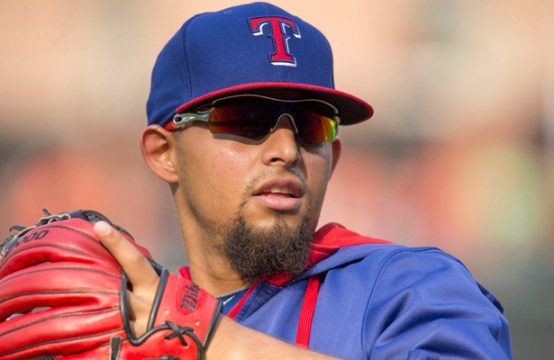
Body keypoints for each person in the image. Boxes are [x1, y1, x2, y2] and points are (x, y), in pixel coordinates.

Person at [94, 2, 512, 359]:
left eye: (312, 125)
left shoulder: (412, 290)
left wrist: (205, 335)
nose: (288, 151)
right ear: (164, 153)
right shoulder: (106, 319)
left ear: (334, 157)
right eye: (248, 118)